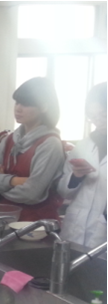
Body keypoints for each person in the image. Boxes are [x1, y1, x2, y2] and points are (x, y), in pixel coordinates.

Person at [0, 77, 65, 222]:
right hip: (6, 219)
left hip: (36, 223)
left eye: (26, 104)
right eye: (17, 102)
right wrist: (15, 181)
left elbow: (32, 193)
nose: (18, 108)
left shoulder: (50, 144)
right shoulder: (9, 139)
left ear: (44, 107)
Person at [58, 82, 107, 248]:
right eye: (93, 116)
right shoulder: (83, 146)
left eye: (103, 114)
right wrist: (75, 177)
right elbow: (63, 191)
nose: (98, 121)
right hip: (75, 229)